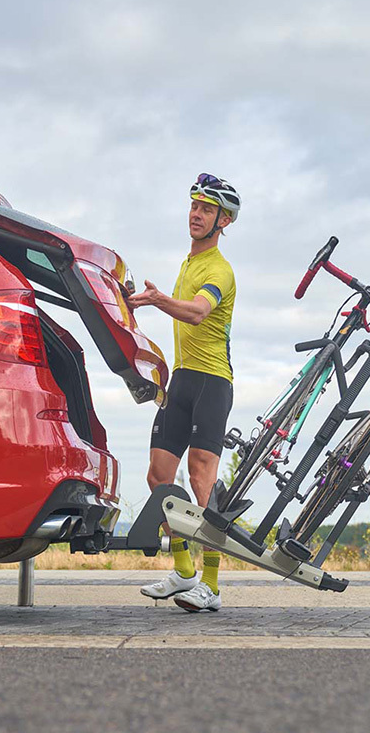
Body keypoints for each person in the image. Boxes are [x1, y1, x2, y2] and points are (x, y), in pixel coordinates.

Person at [127, 173, 240, 612]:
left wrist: (158, 302)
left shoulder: (219, 270)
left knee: (201, 482)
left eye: (207, 209)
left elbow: (196, 313)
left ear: (224, 220)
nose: (196, 214)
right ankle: (184, 572)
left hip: (212, 382)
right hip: (181, 380)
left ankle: (210, 586)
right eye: (194, 205)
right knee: (159, 477)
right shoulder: (188, 263)